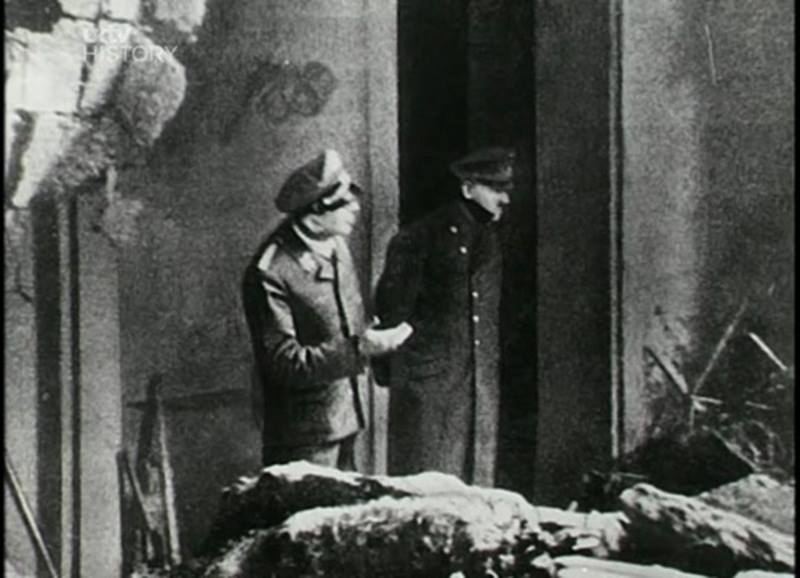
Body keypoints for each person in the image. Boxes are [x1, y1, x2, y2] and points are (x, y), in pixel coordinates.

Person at [242, 149, 412, 471]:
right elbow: (284, 364)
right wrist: (359, 348)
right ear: (314, 215)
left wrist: (370, 338)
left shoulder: (335, 243)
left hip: (348, 415)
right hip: (303, 435)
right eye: (343, 202)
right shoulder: (271, 271)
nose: (355, 207)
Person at [374, 147, 514, 486]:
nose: (505, 199)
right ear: (468, 188)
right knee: (427, 486)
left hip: (477, 388)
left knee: (475, 488)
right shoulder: (421, 237)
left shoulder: (489, 239)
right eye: (495, 189)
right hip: (429, 390)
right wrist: (410, 376)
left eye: (507, 189)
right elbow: (392, 310)